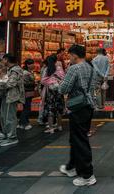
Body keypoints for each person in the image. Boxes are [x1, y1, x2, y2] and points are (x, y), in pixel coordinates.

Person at [58, 45, 97, 187]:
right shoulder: (90, 67)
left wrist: (56, 84)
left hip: (78, 107)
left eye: (70, 56)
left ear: (74, 55)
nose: (69, 58)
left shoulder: (74, 68)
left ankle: (87, 175)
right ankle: (71, 167)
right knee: (76, 138)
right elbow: (93, 86)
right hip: (87, 106)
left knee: (80, 140)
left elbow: (63, 88)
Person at [0, 54, 25, 147]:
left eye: (3, 59)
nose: (2, 61)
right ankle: (6, 134)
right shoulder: (9, 69)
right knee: (4, 116)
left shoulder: (15, 70)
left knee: (9, 117)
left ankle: (12, 137)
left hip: (12, 97)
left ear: (6, 60)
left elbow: (11, 83)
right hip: (6, 95)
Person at [41, 55, 65, 134]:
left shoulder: (47, 69)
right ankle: (59, 126)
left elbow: (43, 81)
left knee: (50, 109)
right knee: (59, 109)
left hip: (50, 92)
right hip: (59, 91)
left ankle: (51, 128)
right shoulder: (59, 69)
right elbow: (63, 79)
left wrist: (50, 81)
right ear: (55, 61)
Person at [18, 59, 36, 130]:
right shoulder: (26, 73)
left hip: (29, 92)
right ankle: (24, 123)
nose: (33, 65)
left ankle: (22, 123)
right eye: (32, 64)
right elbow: (24, 83)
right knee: (27, 108)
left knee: (26, 107)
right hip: (26, 92)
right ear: (28, 65)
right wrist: (34, 83)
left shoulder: (28, 72)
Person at [37, 59, 48, 126]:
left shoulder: (43, 68)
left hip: (43, 87)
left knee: (43, 103)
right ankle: (41, 118)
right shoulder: (45, 69)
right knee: (43, 103)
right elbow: (43, 80)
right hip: (44, 88)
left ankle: (42, 118)